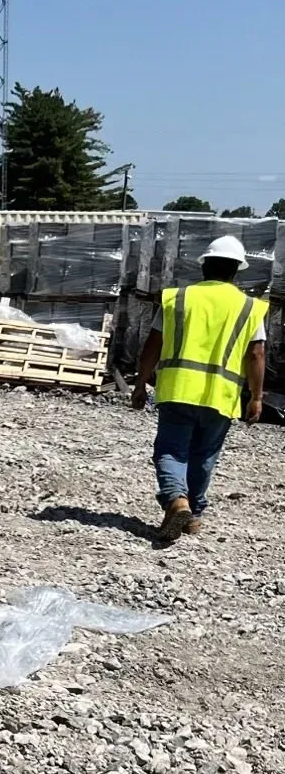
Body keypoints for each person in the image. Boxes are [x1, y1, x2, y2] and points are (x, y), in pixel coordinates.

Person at [130, 233, 268, 543]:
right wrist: (256, 398)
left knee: (170, 450)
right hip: (222, 396)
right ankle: (193, 516)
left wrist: (140, 384)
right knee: (204, 456)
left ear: (203, 266)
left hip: (178, 389)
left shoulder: (177, 298)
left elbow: (153, 345)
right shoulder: (249, 307)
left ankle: (177, 500)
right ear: (236, 271)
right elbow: (257, 354)